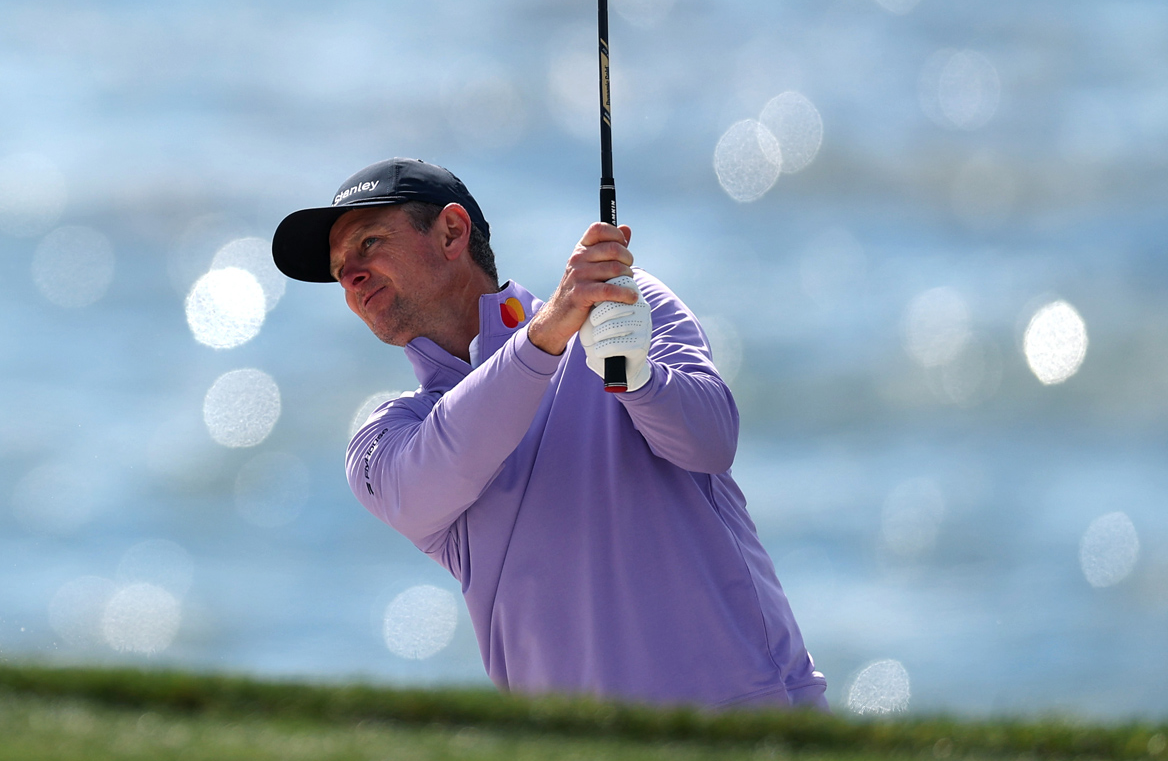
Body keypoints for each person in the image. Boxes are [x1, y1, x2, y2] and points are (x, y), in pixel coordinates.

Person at [269, 158, 825, 710]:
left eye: (368, 243)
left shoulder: (623, 306)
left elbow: (711, 441)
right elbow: (439, 470)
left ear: (452, 233)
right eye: (339, 267)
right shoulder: (386, 437)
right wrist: (546, 334)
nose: (350, 275)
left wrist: (635, 375)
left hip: (752, 730)